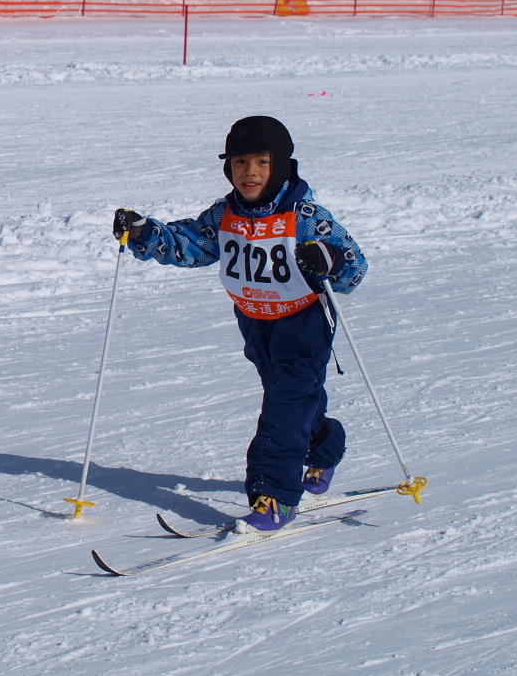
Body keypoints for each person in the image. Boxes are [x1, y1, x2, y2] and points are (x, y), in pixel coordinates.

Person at [111, 115, 368, 532]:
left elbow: (354, 270)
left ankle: (274, 496)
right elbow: (190, 244)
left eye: (262, 162)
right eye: (240, 162)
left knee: (284, 405)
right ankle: (324, 445)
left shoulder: (305, 216)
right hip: (255, 322)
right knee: (295, 399)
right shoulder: (224, 213)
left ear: (281, 165)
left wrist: (330, 259)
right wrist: (143, 233)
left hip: (303, 323)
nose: (250, 173)